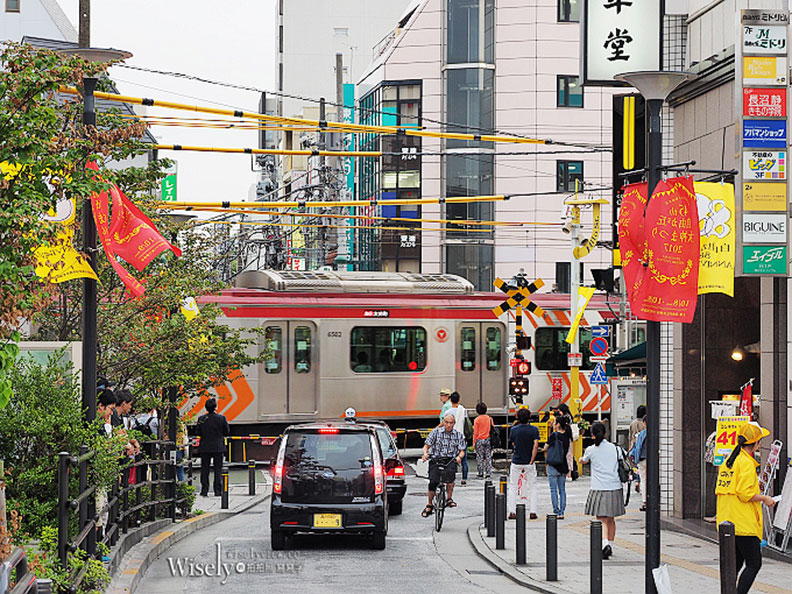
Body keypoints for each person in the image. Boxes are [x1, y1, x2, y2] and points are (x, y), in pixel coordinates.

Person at [716, 422, 776, 594]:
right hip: (743, 523)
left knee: (734, 564)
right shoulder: (746, 463)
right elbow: (745, 494)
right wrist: (765, 498)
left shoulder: (729, 461)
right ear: (756, 443)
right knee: (754, 563)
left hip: (727, 521)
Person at [579, 421, 625, 560]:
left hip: (599, 487)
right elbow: (624, 458)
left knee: (601, 519)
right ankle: (610, 544)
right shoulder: (615, 448)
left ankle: (605, 544)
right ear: (605, 433)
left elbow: (583, 460)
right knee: (611, 519)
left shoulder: (591, 450)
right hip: (615, 486)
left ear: (593, 435)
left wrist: (581, 460)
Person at [421, 413, 466, 517]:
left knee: (450, 479)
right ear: (443, 422)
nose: (448, 425)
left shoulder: (458, 435)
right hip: (436, 458)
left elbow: (462, 451)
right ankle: (429, 504)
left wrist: (459, 457)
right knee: (433, 482)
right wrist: (425, 454)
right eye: (446, 422)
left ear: (454, 423)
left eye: (451, 423)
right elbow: (426, 446)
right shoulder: (435, 432)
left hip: (450, 459)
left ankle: (449, 498)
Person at [508, 407, 539, 520]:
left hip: (517, 461)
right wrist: (532, 459)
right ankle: (533, 511)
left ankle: (512, 511)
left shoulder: (514, 430)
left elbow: (512, 443)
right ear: (529, 418)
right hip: (529, 462)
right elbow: (536, 445)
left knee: (513, 486)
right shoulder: (534, 430)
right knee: (533, 486)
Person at [197, 398, 230, 497]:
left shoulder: (201, 419)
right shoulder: (222, 418)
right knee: (218, 469)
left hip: (205, 447)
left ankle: (204, 490)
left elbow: (198, 432)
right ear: (215, 407)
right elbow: (226, 432)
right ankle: (218, 490)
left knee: (204, 469)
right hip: (218, 446)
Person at [544, 416, 571, 518]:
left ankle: (556, 510)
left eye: (555, 422)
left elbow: (545, 447)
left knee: (553, 489)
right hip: (563, 465)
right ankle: (562, 512)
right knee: (562, 490)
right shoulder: (567, 436)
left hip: (553, 465)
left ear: (558, 424)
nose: (553, 424)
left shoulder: (554, 435)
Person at [449, 392, 469, 485]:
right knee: (464, 460)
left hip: (452, 438)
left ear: (450, 401)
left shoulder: (448, 412)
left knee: (451, 459)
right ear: (459, 400)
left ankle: (451, 477)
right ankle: (464, 478)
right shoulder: (463, 410)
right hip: (462, 437)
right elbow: (465, 423)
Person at [629, 416, 648, 511]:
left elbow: (637, 448)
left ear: (644, 423)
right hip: (654, 460)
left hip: (642, 460)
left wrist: (633, 458)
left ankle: (645, 502)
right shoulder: (657, 433)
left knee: (643, 480)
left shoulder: (641, 434)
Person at [473, 402, 494, 479]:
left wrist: (474, 442)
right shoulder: (489, 418)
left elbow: (475, 432)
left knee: (479, 457)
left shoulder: (477, 420)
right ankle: (488, 473)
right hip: (488, 439)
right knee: (488, 456)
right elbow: (492, 428)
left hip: (479, 439)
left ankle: (480, 473)